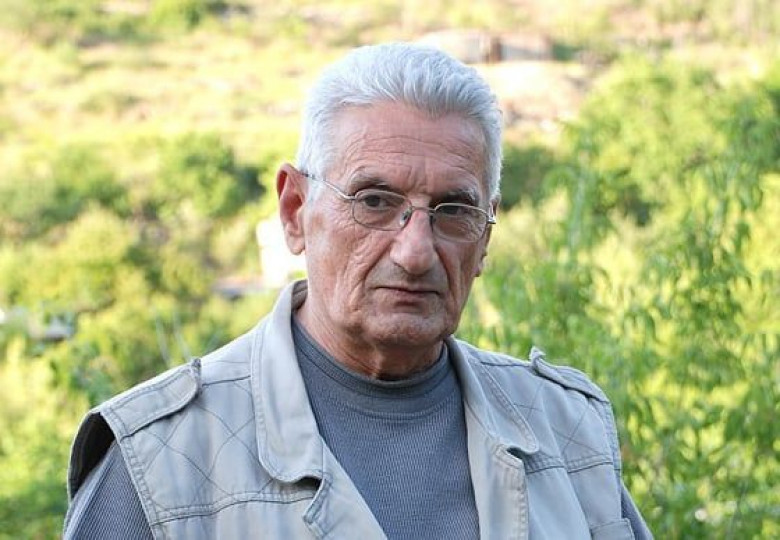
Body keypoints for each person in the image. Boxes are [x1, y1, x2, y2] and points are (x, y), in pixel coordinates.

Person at [64, 42, 652, 539]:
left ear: (486, 237)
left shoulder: (567, 433)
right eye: (374, 201)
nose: (415, 251)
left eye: (453, 210)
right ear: (295, 211)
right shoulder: (160, 462)